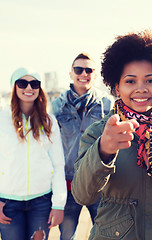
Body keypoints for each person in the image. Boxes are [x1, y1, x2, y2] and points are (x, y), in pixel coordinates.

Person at [71, 30, 152, 239]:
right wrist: (103, 151)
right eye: (130, 81)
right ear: (117, 86)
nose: (141, 89)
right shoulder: (98, 132)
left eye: (150, 81)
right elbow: (82, 195)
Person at [0, 67, 67, 240]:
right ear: (14, 87)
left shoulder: (49, 122)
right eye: (22, 83)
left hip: (42, 201)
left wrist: (59, 204)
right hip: (8, 203)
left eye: (34, 84)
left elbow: (58, 164)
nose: (29, 88)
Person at [51, 53, 113, 240]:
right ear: (71, 74)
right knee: (67, 235)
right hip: (69, 184)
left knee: (105, 234)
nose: (83, 74)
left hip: (98, 182)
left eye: (89, 70)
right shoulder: (57, 106)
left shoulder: (107, 104)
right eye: (79, 69)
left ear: (94, 75)